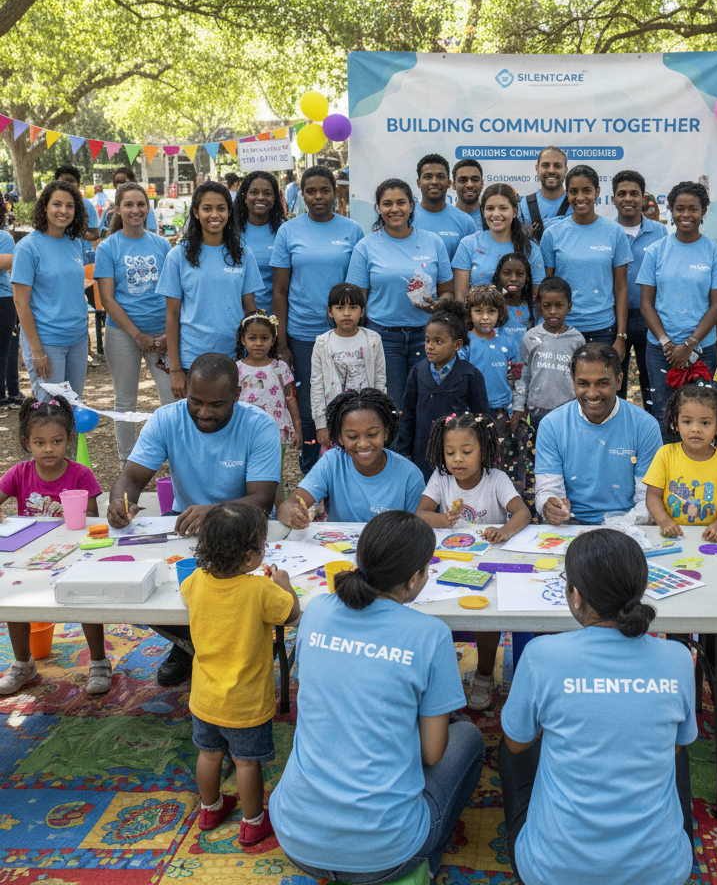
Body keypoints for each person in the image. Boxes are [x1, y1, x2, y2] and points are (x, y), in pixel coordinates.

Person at [270, 510, 485, 882]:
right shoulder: (430, 634)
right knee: (467, 736)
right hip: (386, 854)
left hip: (294, 837)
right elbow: (432, 753)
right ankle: (425, 861)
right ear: (416, 577)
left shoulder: (318, 609)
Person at [498, 528, 697, 885]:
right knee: (675, 751)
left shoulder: (541, 655)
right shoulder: (678, 658)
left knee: (509, 741)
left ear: (575, 595)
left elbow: (517, 744)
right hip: (661, 873)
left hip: (551, 872)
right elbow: (678, 745)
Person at [108, 353, 282, 685]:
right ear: (185, 391)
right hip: (185, 526)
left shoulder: (259, 425)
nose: (204, 413)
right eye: (196, 401)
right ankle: (191, 642)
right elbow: (130, 477)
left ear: (237, 394)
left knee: (233, 590)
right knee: (138, 588)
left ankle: (201, 642)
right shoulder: (165, 419)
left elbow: (262, 500)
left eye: (216, 404)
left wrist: (216, 511)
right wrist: (120, 501)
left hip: (244, 529)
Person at [182, 503, 299, 846]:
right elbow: (292, 614)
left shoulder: (197, 580)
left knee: (209, 755)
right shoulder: (260, 591)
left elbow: (186, 594)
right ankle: (253, 822)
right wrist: (284, 583)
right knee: (246, 764)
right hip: (245, 704)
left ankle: (210, 808)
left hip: (205, 699)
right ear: (250, 558)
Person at [416, 412, 531, 711]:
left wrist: (505, 529)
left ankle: (483, 672)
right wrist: (442, 519)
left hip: (488, 562)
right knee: (426, 604)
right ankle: (436, 669)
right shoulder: (441, 478)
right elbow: (421, 514)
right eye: (450, 452)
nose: (457, 460)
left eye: (467, 452)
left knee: (487, 611)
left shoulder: (497, 480)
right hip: (450, 559)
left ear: (484, 450)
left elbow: (523, 513)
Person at [0, 397, 108, 696]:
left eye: (57, 441)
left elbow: (95, 520)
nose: (49, 449)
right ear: (27, 442)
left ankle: (99, 660)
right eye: (39, 442)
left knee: (85, 596)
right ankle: (23, 664)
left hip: (74, 555)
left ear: (69, 440)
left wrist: (76, 518)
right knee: (13, 601)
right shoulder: (19, 473)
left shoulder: (80, 475)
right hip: (29, 556)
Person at [271, 165, 364, 473]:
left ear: (335, 192)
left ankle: (347, 466)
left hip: (345, 334)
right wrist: (281, 341)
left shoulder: (353, 230)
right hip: (301, 334)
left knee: (346, 400)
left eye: (325, 190)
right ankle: (313, 473)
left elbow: (359, 288)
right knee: (310, 407)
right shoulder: (288, 231)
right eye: (311, 191)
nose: (318, 196)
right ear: (302, 193)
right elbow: (280, 291)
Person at [347, 178, 455, 401]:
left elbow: (448, 292)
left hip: (427, 336)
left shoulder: (433, 242)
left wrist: (440, 304)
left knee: (427, 401)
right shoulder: (365, 247)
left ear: (411, 206)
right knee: (393, 405)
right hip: (383, 337)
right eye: (387, 204)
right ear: (378, 208)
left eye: (401, 203)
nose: (394, 209)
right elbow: (358, 301)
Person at [638, 180, 717, 431]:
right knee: (663, 414)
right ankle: (667, 467)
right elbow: (646, 304)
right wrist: (667, 342)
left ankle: (694, 469)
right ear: (671, 210)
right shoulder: (656, 251)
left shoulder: (715, 253)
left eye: (693, 209)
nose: (686, 215)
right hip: (660, 350)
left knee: (697, 415)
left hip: (702, 349)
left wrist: (690, 345)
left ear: (703, 213)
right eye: (679, 208)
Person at [535, 342, 661, 525]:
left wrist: (619, 525)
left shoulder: (645, 426)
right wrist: (550, 507)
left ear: (618, 381)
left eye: (602, 383)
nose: (592, 394)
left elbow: (649, 498)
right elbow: (548, 490)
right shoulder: (552, 425)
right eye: (583, 384)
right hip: (570, 525)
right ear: (572, 381)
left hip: (629, 525)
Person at [158, 182, 262, 399]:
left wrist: (255, 357)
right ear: (196, 212)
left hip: (235, 357)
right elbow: (172, 315)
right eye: (207, 208)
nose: (214, 214)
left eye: (221, 208)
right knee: (196, 423)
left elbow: (250, 310)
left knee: (230, 421)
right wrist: (175, 369)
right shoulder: (178, 256)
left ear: (229, 211)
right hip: (191, 359)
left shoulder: (243, 254)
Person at [95, 181, 175, 461]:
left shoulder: (162, 244)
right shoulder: (107, 247)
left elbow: (174, 292)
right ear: (117, 209)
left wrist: (168, 333)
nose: (135, 210)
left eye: (141, 204)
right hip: (122, 334)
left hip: (163, 334)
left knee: (172, 398)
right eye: (128, 204)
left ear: (148, 206)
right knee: (125, 401)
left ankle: (176, 454)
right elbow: (107, 299)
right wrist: (137, 335)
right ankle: (127, 461)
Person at [278, 388, 424, 527]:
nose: (363, 444)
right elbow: (289, 504)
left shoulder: (410, 475)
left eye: (372, 434)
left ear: (386, 433)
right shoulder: (332, 462)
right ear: (340, 438)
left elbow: (418, 529)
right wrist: (293, 514)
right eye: (352, 436)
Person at [540, 164, 631, 357]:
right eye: (573, 191)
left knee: (603, 386)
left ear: (597, 192)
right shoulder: (552, 234)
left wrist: (620, 336)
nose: (580, 197)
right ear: (567, 194)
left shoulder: (614, 232)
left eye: (587, 191)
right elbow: (545, 287)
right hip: (563, 328)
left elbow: (621, 287)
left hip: (604, 330)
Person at [12, 180, 90, 400]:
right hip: (46, 342)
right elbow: (20, 303)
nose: (63, 211)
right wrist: (37, 352)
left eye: (70, 206)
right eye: (57, 204)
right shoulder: (27, 247)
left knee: (73, 407)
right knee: (49, 413)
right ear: (45, 207)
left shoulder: (75, 243)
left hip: (77, 339)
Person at [395, 300, 489, 476]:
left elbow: (482, 419)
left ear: (457, 345)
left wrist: (481, 455)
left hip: (458, 457)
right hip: (422, 455)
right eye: (427, 340)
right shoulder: (417, 372)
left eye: (438, 341)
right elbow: (408, 415)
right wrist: (404, 452)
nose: (430, 346)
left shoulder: (471, 376)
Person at [644, 382, 717, 542]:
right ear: (676, 423)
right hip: (672, 537)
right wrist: (664, 521)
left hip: (710, 539)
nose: (695, 429)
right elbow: (653, 496)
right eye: (687, 422)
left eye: (705, 423)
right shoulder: (665, 455)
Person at [612, 169, 668, 414]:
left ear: (644, 198)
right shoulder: (607, 231)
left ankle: (653, 436)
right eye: (621, 193)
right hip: (615, 320)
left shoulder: (661, 232)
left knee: (653, 386)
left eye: (634, 193)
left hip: (651, 318)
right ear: (612, 198)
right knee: (616, 386)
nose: (628, 198)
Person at [310, 282, 386, 449]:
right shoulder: (322, 343)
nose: (346, 313)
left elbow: (380, 380)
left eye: (353, 307)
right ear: (330, 311)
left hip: (367, 413)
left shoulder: (373, 340)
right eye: (339, 308)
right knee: (336, 460)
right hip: (334, 417)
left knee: (364, 453)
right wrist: (321, 424)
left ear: (362, 311)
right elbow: (317, 385)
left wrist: (380, 414)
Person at [514, 276, 585, 426]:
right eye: (547, 306)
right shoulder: (530, 337)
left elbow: (581, 377)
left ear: (569, 306)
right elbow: (523, 375)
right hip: (537, 408)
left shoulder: (577, 339)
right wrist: (519, 406)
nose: (553, 311)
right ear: (538, 306)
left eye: (559, 306)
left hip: (568, 409)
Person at [452, 183, 544, 296]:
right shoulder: (468, 244)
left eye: (503, 208)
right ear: (483, 211)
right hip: (479, 313)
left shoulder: (530, 248)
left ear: (515, 212)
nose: (496, 214)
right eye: (490, 208)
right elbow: (461, 296)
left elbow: (536, 296)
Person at [235, 310, 301, 455]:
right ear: (243, 340)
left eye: (264, 338)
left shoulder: (280, 368)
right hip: (246, 432)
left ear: (272, 340)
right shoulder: (237, 369)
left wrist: (297, 427)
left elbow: (290, 398)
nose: (258, 343)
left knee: (276, 471)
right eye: (252, 338)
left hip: (277, 432)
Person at [463, 283, 515, 420]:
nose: (485, 317)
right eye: (479, 311)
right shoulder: (465, 343)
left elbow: (516, 375)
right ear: (470, 312)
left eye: (491, 311)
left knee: (501, 441)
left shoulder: (507, 341)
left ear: (499, 313)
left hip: (503, 408)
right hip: (473, 408)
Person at [236, 170, 285, 313]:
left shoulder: (285, 231)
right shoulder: (230, 232)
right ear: (245, 197)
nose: (261, 197)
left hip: (273, 319)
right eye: (254, 192)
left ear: (275, 198)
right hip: (235, 319)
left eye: (267, 193)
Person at [413, 154, 476, 260]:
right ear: (419, 183)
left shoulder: (465, 221)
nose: (434, 182)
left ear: (449, 183)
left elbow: (471, 264)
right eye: (428, 177)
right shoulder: (406, 218)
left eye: (440, 177)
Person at [519, 146, 570, 240]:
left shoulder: (575, 205)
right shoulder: (523, 206)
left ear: (565, 170)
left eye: (557, 166)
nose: (551, 171)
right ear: (537, 168)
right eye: (545, 165)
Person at [0, 211, 23, 409]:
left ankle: (10, 393)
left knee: (7, 350)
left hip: (4, 299)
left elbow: (7, 262)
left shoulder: (4, 237)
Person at [492, 251, 535, 351]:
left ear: (527, 277)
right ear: (499, 276)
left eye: (519, 274)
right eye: (507, 273)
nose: (513, 279)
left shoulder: (534, 310)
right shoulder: (491, 308)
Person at [55, 164, 100, 241]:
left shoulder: (86, 205)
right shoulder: (50, 205)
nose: (67, 186)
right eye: (62, 183)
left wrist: (72, 236)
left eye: (70, 182)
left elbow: (94, 234)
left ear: (78, 186)